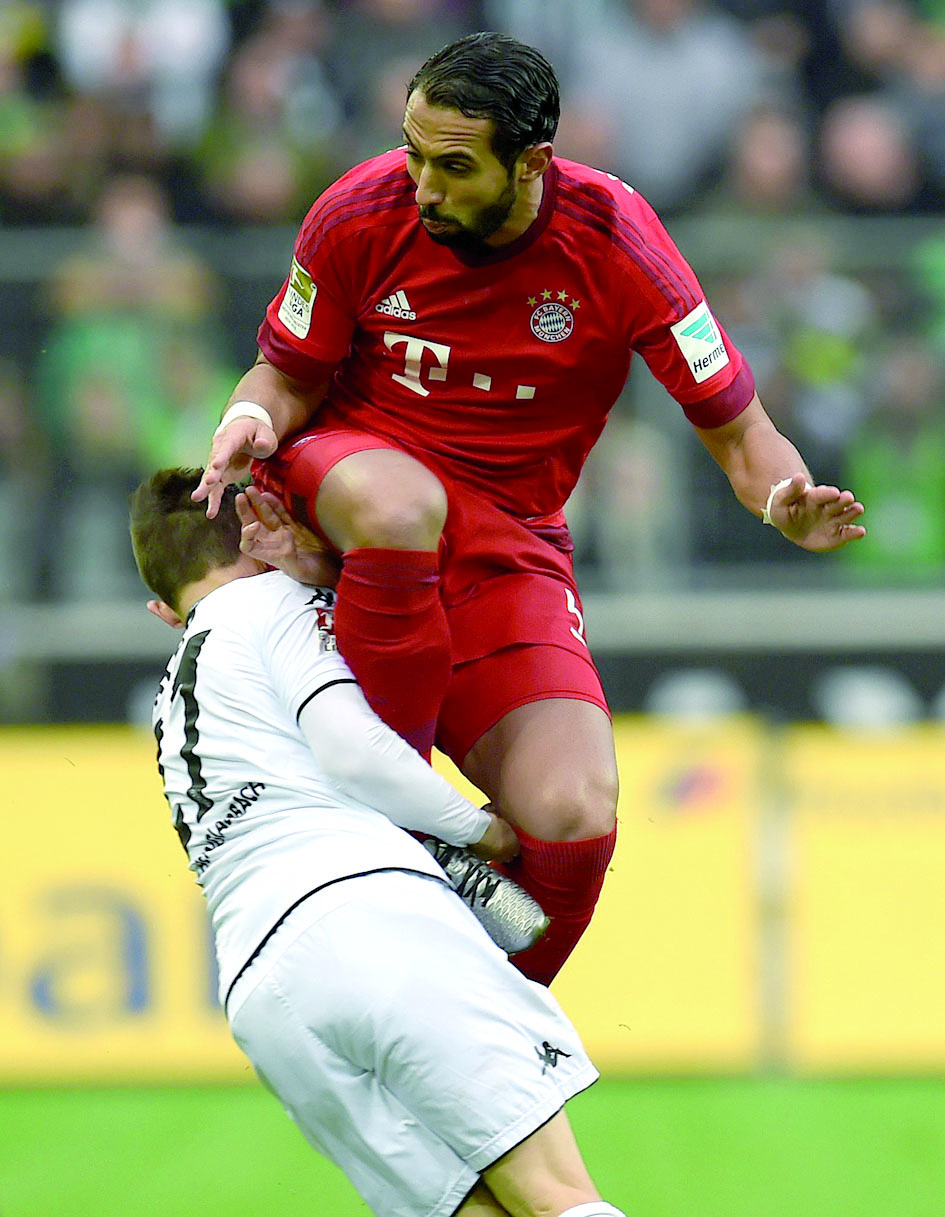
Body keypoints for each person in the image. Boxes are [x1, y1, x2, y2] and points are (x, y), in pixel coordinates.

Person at [193, 31, 866, 987]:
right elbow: (287, 371)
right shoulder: (361, 209)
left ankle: (485, 1029)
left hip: (507, 540)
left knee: (572, 809)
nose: (422, 185)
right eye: (416, 152)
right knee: (400, 500)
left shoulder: (617, 241)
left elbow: (742, 435)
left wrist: (782, 501)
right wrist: (250, 417)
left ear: (533, 163)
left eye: (454, 166)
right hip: (350, 487)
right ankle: (388, 817)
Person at [129, 466, 626, 1217]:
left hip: (261, 994)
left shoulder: (170, 698)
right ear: (260, 535)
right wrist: (480, 828)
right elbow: (353, 747)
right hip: (365, 915)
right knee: (557, 1197)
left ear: (163, 610)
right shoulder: (274, 599)